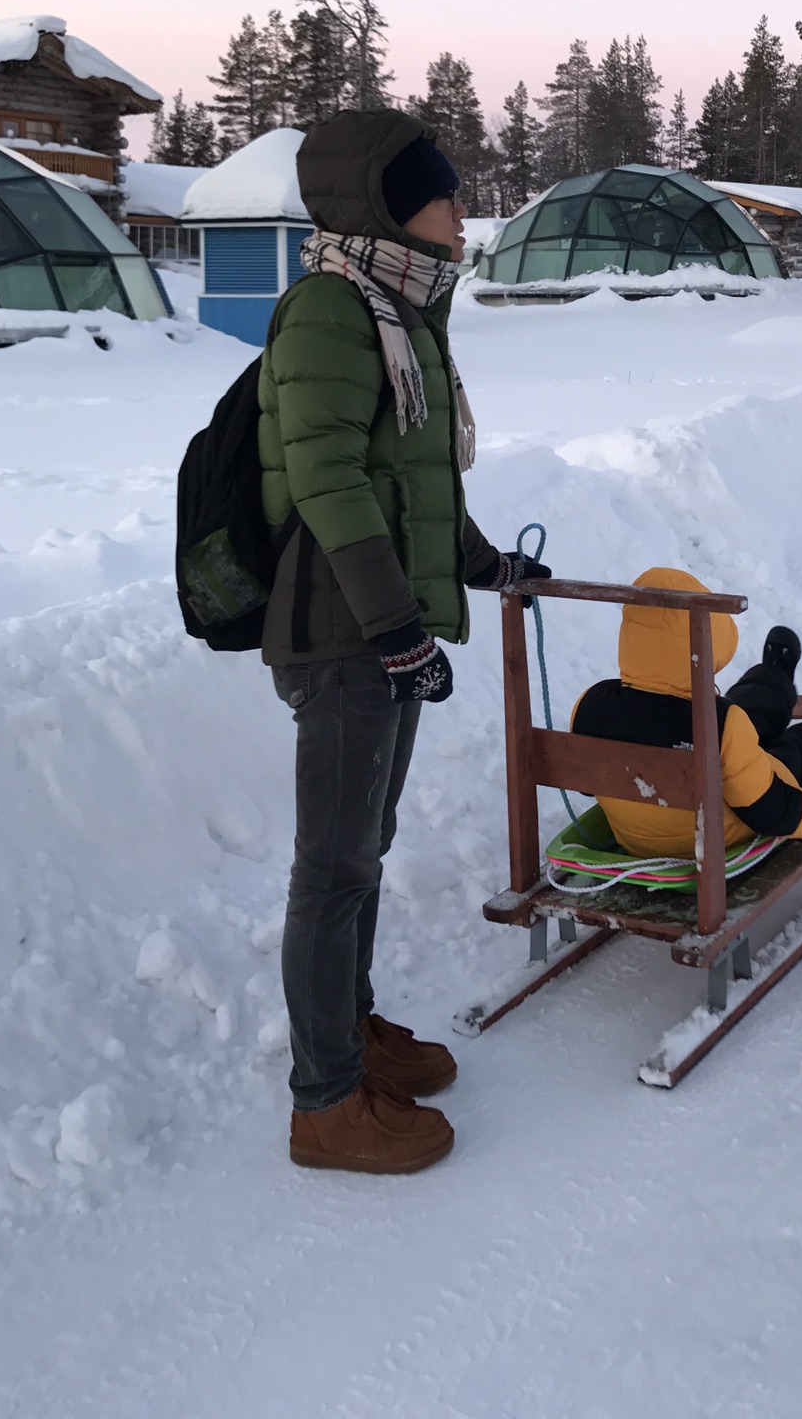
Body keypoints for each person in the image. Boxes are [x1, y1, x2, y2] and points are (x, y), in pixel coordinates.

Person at [258, 108, 549, 1175]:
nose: (462, 210)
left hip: (378, 629)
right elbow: (331, 486)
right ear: (389, 205)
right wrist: (390, 632)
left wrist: (485, 568)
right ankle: (323, 1099)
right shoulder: (331, 312)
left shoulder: (401, 310)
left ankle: (351, 1029)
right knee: (332, 867)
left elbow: (412, 487)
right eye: (444, 191)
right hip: (339, 629)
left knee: (363, 854)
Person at [571, 567, 802, 859]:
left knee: (735, 718)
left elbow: (588, 786)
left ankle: (774, 676)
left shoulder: (590, 703)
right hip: (715, 837)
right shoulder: (720, 724)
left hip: (636, 840)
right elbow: (767, 808)